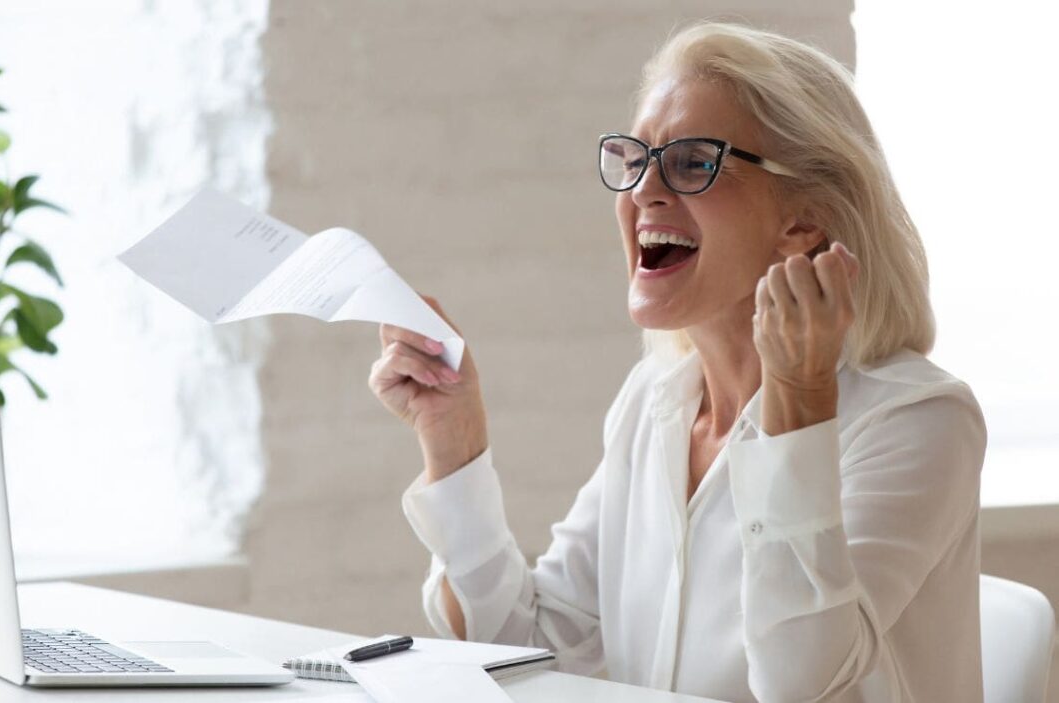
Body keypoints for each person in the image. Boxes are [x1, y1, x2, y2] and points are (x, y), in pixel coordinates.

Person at [368, 21, 985, 703]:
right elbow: (523, 643)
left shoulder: (919, 421)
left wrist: (799, 401)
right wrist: (454, 439)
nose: (643, 192)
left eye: (693, 163)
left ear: (802, 220)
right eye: (635, 160)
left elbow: (800, 682)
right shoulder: (656, 401)